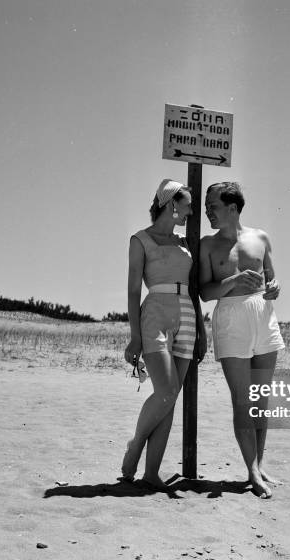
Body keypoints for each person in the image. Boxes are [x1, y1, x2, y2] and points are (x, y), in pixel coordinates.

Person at [199, 182, 285, 498]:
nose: (208, 211)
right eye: (207, 206)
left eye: (213, 206)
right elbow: (205, 292)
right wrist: (233, 280)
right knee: (242, 399)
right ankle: (251, 471)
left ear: (233, 208)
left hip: (264, 316)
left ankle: (259, 465)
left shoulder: (260, 238)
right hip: (231, 318)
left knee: (261, 398)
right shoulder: (207, 245)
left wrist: (275, 287)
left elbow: (272, 278)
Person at [122, 179, 207, 489]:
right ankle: (135, 446)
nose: (191, 212)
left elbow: (194, 288)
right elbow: (133, 291)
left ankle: (151, 473)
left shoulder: (186, 242)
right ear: (172, 203)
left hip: (186, 313)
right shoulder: (140, 240)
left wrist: (200, 326)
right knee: (166, 391)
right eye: (187, 206)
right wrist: (134, 335)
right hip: (154, 314)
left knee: (171, 399)